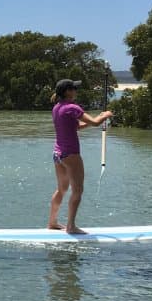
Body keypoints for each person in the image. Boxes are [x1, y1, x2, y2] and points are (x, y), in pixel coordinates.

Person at [48, 79, 112, 234]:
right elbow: (96, 123)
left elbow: (76, 127)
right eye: (74, 89)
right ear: (68, 92)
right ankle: (71, 227)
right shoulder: (72, 108)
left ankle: (52, 222)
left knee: (62, 189)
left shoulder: (57, 108)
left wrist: (99, 118)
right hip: (71, 155)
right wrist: (106, 115)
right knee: (78, 190)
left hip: (58, 154)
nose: (76, 91)